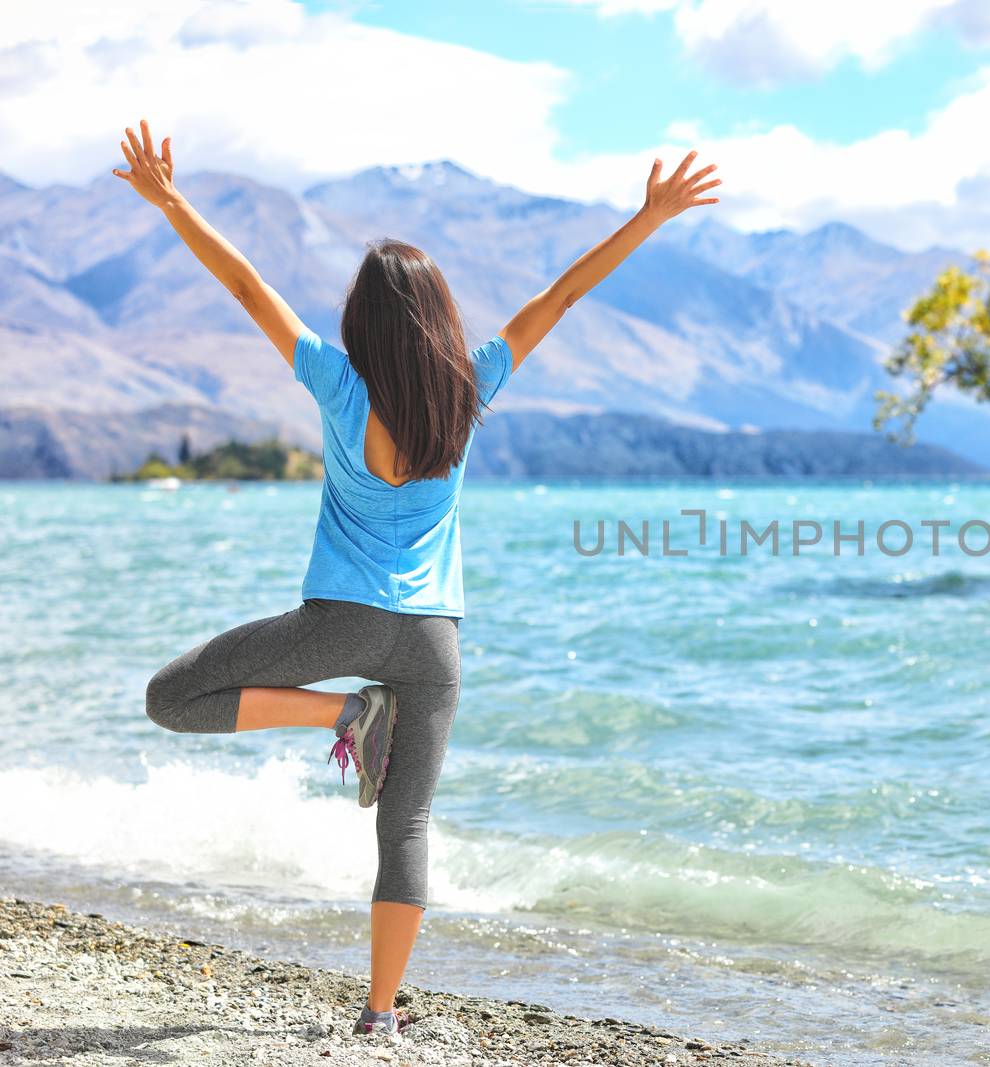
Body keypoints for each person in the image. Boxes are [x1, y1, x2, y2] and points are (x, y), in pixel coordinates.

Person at [116, 118, 719, 1037]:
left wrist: (172, 202)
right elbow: (560, 299)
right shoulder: (469, 387)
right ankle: (380, 1014)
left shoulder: (338, 382)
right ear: (440, 316)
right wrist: (650, 218)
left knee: (171, 696)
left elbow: (246, 285)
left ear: (363, 317)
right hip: (436, 642)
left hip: (341, 625)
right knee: (405, 825)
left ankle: (345, 716)